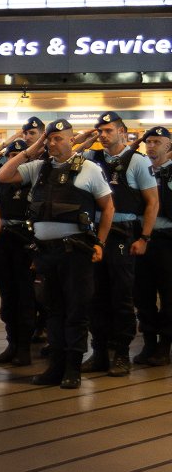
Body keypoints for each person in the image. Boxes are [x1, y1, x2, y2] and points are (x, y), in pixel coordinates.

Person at [0, 119, 113, 389]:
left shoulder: (89, 169)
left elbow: (108, 208)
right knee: (54, 311)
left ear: (71, 140)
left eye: (58, 138)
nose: (52, 142)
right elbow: (3, 176)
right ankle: (55, 366)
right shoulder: (39, 168)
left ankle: (73, 367)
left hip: (76, 253)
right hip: (46, 253)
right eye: (49, 138)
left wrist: (101, 244)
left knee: (76, 310)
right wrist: (33, 147)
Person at [80, 112, 158, 376]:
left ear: (122, 132)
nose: (102, 135)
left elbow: (152, 202)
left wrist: (144, 237)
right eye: (99, 131)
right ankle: (99, 351)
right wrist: (85, 139)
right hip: (94, 233)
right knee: (94, 294)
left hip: (123, 234)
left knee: (122, 295)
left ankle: (121, 353)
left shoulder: (137, 161)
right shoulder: (92, 158)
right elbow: (69, 157)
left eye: (107, 131)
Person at [0, 138, 37, 367]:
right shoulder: (0, 179)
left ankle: (24, 348)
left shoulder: (35, 179)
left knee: (25, 297)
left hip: (26, 241)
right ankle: (12, 344)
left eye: (19, 156)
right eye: (10, 156)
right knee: (7, 296)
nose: (13, 159)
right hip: (3, 240)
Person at [135, 126, 172, 367]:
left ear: (169, 146)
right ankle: (148, 340)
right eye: (148, 142)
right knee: (141, 293)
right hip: (141, 239)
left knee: (169, 295)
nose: (151, 146)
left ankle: (164, 345)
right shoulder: (140, 172)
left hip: (168, 240)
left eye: (157, 142)